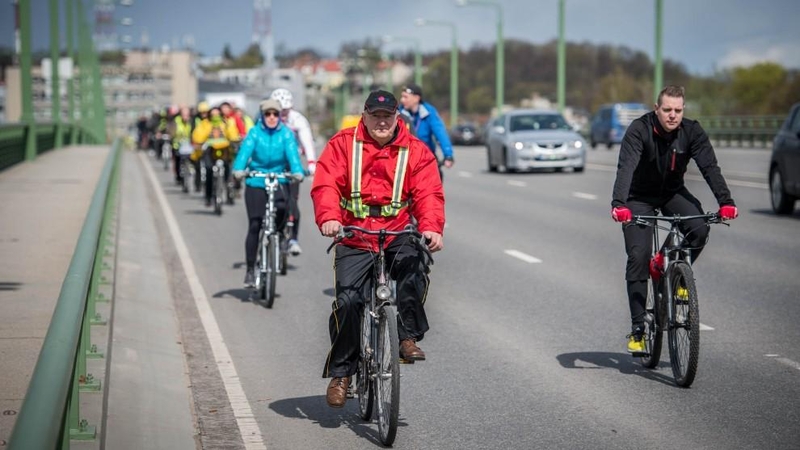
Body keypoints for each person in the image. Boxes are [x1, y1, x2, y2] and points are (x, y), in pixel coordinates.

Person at [311, 90, 445, 408]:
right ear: (365, 116)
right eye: (376, 115)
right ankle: (342, 373)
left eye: (388, 116)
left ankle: (406, 336)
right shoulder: (343, 144)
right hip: (354, 234)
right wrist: (329, 218)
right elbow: (325, 183)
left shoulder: (415, 150)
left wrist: (431, 227)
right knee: (348, 303)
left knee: (415, 270)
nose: (382, 122)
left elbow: (429, 191)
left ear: (397, 117)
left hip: (397, 230)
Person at [610, 85, 738, 354]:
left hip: (671, 193)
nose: (672, 115)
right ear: (656, 109)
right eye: (667, 109)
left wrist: (726, 202)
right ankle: (638, 329)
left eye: (678, 110)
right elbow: (626, 166)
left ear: (683, 110)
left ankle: (670, 267)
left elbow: (709, 167)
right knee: (638, 255)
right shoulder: (639, 130)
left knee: (699, 228)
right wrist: (619, 204)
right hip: (637, 197)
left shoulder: (692, 131)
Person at [232, 99, 305, 287]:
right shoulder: (254, 133)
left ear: (280, 116)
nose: (271, 117)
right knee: (255, 225)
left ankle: (279, 237)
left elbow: (293, 155)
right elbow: (244, 153)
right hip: (256, 180)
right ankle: (250, 270)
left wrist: (297, 171)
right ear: (262, 116)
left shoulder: (286, 134)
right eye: (267, 114)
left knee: (283, 209)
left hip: (279, 179)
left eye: (275, 114)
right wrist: (239, 169)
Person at [270, 88, 319, 256]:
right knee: (272, 200)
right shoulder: (267, 118)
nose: (282, 114)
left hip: (293, 164)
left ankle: (293, 239)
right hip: (272, 163)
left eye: (286, 110)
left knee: (292, 202)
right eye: (280, 110)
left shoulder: (298, 120)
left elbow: (307, 142)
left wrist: (312, 163)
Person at [398, 83, 455, 179]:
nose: (402, 100)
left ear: (416, 98)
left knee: (436, 178)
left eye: (405, 97)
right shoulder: (398, 113)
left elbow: (440, 133)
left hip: (425, 156)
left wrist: (448, 155)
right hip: (404, 157)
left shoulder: (429, 112)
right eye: (402, 97)